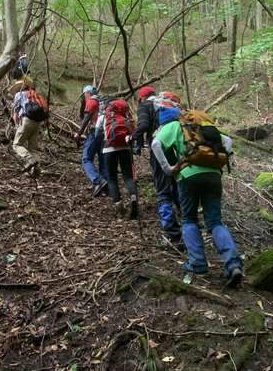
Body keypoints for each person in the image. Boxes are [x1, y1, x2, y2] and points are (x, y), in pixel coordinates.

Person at [152, 106, 243, 286]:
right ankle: (233, 264)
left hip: (188, 175)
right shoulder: (202, 126)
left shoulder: (174, 125)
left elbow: (156, 144)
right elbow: (228, 141)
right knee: (215, 221)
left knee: (189, 219)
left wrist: (167, 169)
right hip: (213, 175)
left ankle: (197, 263)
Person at [131, 86, 181, 243]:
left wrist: (132, 137)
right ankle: (189, 222)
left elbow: (143, 125)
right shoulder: (166, 105)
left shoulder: (145, 106)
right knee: (176, 184)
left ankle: (172, 233)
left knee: (162, 189)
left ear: (141, 98)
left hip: (159, 147)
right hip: (176, 147)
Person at [98, 98, 138, 218]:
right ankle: (133, 199)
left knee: (112, 179)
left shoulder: (104, 117)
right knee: (128, 177)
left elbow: (97, 133)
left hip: (108, 149)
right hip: (125, 149)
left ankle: (118, 204)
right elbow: (133, 133)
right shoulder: (125, 119)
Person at [74, 85, 108, 196]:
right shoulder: (102, 101)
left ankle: (98, 181)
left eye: (84, 94)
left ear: (88, 93)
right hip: (105, 134)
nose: (84, 97)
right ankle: (106, 187)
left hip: (94, 133)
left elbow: (86, 119)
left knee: (86, 159)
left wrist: (79, 133)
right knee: (103, 161)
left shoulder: (91, 101)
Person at [12, 78, 49, 175]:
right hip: (37, 122)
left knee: (16, 145)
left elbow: (15, 112)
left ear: (20, 87)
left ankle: (30, 160)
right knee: (33, 148)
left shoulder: (19, 95)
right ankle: (36, 170)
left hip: (26, 120)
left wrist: (16, 124)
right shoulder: (36, 95)